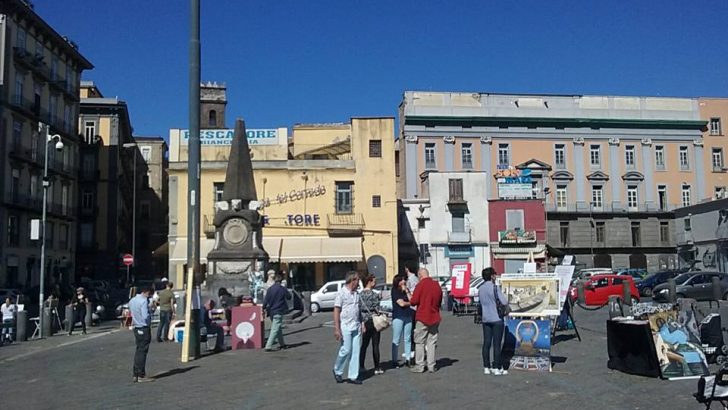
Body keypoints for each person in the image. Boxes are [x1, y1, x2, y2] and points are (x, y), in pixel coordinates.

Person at [332, 271, 364, 385]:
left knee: (356, 351)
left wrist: (362, 323)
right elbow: (336, 310)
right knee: (346, 349)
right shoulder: (342, 293)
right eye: (357, 280)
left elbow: (359, 310)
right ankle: (337, 369)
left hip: (356, 324)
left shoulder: (357, 293)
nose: (358, 282)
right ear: (352, 280)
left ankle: (353, 376)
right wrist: (337, 328)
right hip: (345, 325)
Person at [409, 268, 442, 373]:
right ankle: (431, 365)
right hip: (435, 316)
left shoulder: (420, 285)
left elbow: (414, 301)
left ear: (420, 275)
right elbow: (440, 300)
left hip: (422, 316)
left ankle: (420, 365)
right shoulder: (437, 285)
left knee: (419, 342)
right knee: (431, 342)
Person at [479, 267, 509, 376]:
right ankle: (496, 367)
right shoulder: (495, 288)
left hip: (485, 318)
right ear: (491, 276)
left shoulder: (480, 289)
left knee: (486, 343)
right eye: (494, 274)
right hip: (496, 319)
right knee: (497, 344)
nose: (495, 276)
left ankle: (486, 367)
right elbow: (504, 301)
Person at [359, 274, 383, 375]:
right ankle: (377, 367)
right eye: (374, 281)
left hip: (364, 321)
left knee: (364, 345)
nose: (375, 283)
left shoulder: (359, 295)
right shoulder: (374, 295)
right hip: (373, 320)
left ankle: (361, 366)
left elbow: (358, 309)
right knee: (375, 345)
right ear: (369, 282)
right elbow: (377, 309)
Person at [129, 287, 154, 383]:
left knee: (138, 350)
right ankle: (141, 374)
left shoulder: (132, 300)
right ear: (147, 292)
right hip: (143, 327)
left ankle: (135, 373)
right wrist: (150, 311)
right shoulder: (144, 301)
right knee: (143, 351)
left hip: (136, 327)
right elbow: (145, 316)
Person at [263, 273, 291, 352]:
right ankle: (268, 346)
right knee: (275, 329)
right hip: (279, 310)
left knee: (278, 328)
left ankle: (282, 344)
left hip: (271, 311)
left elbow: (265, 301)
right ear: (281, 281)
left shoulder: (270, 289)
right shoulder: (282, 289)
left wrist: (263, 308)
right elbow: (289, 297)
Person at [391, 274, 413, 369]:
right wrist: (409, 303)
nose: (404, 281)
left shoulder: (405, 290)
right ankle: (394, 360)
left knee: (407, 339)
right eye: (402, 280)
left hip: (408, 315)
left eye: (404, 280)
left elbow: (412, 300)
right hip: (398, 317)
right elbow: (401, 304)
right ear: (398, 282)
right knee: (396, 339)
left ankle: (408, 359)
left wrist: (407, 291)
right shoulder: (394, 290)